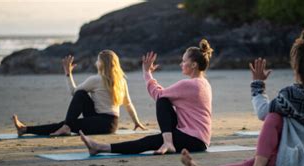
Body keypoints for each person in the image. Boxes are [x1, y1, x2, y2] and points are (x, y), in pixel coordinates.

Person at [181, 29, 304, 166]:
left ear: (297, 65)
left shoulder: (293, 94)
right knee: (260, 156)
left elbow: (263, 112)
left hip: (302, 164)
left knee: (273, 117)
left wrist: (258, 84)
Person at [80, 39, 214, 155]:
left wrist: (146, 73)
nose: (181, 64)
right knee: (163, 103)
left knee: (151, 136)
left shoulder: (189, 84)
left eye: (184, 61)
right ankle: (167, 142)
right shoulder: (204, 84)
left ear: (194, 65)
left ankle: (99, 147)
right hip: (199, 138)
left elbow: (158, 95)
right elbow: (164, 96)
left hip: (193, 139)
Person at [12, 50, 145, 136]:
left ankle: (26, 129)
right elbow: (128, 104)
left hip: (100, 123)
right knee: (70, 119)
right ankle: (31, 129)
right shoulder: (121, 80)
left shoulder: (95, 79)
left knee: (79, 96)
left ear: (102, 64)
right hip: (111, 124)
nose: (95, 62)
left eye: (98, 60)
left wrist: (68, 74)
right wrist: (136, 122)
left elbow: (73, 92)